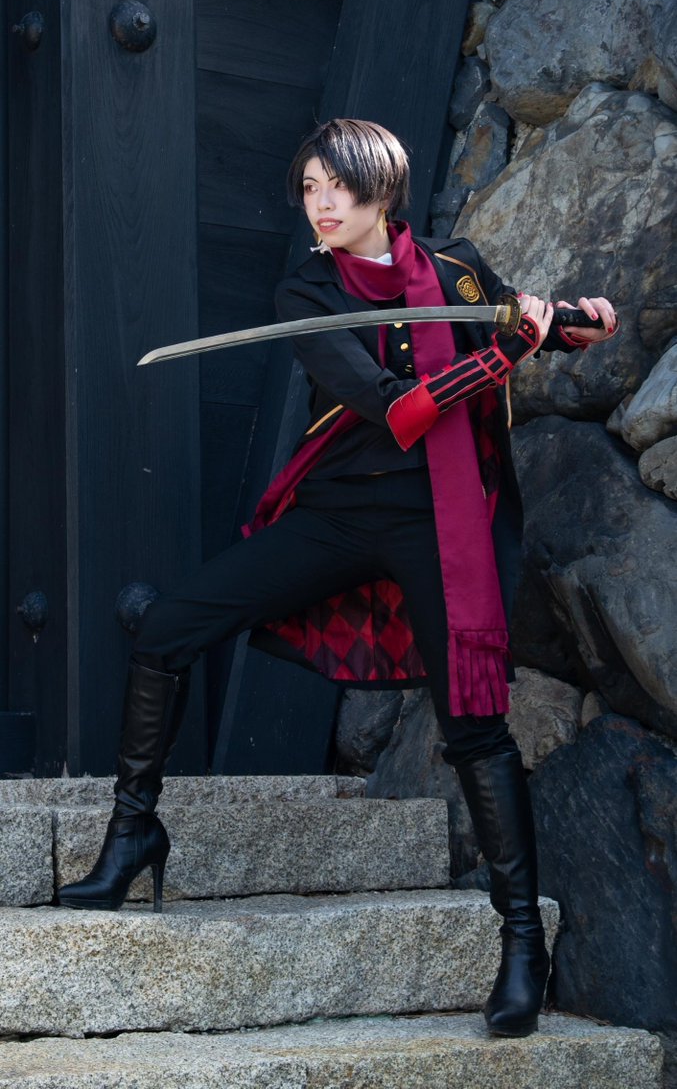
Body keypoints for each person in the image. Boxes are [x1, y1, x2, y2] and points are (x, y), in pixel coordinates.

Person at [58, 118, 617, 1038]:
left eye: (336, 186)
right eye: (309, 187)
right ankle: (132, 835)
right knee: (167, 628)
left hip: (440, 527)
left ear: (381, 192)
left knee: (475, 728)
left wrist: (573, 323)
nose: (319, 204)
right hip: (336, 515)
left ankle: (523, 944)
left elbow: (536, 326)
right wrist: (505, 353)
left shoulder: (459, 273)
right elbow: (396, 411)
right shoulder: (308, 290)